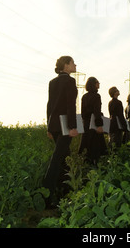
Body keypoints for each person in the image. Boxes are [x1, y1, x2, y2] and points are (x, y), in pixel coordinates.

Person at [43, 56, 78, 206]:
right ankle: (46, 194)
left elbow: (49, 106)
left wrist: (49, 127)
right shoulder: (69, 81)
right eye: (72, 63)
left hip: (55, 124)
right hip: (65, 125)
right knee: (57, 159)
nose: (75, 65)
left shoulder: (53, 82)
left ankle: (64, 192)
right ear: (66, 65)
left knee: (64, 158)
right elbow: (71, 105)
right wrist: (72, 126)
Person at [79, 77, 107, 165]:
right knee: (96, 147)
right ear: (94, 84)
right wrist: (99, 125)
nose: (99, 84)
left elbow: (83, 113)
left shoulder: (84, 96)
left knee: (87, 146)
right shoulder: (96, 96)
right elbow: (96, 111)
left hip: (86, 124)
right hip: (94, 124)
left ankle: (85, 167)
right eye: (97, 82)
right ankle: (94, 168)